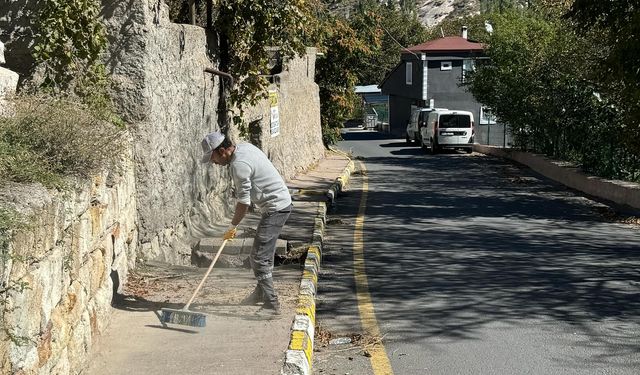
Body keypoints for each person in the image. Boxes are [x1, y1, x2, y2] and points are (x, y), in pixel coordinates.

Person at [201, 131, 292, 315]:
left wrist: (232, 226)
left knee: (259, 257)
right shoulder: (245, 148)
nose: (214, 163)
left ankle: (272, 304)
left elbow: (244, 202)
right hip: (277, 204)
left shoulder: (238, 165)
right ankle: (260, 294)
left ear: (222, 151)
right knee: (260, 254)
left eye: (213, 158)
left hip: (276, 207)